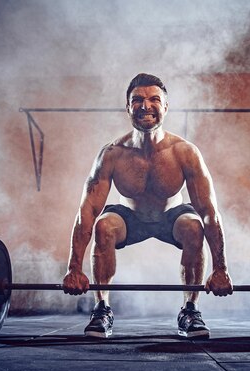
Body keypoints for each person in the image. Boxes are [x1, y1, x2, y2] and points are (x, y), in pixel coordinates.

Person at [62, 73, 233, 339]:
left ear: (165, 107)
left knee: (194, 227)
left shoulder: (185, 152)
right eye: (138, 100)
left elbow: (210, 212)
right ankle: (101, 308)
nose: (146, 106)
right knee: (103, 225)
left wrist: (220, 268)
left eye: (154, 99)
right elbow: (87, 212)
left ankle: (190, 309)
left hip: (171, 216)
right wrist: (74, 268)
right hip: (129, 217)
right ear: (128, 107)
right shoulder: (112, 154)